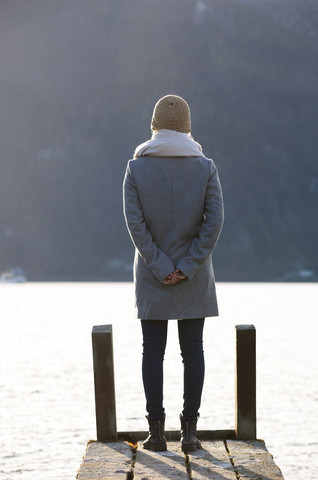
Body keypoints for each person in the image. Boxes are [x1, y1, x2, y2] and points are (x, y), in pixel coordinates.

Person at [123, 94, 224, 452]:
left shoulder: (136, 168)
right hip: (193, 276)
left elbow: (135, 226)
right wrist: (188, 265)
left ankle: (156, 434)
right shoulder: (205, 167)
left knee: (152, 350)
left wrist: (161, 266)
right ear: (187, 127)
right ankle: (190, 434)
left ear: (155, 126)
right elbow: (214, 223)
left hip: (152, 275)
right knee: (192, 351)